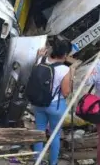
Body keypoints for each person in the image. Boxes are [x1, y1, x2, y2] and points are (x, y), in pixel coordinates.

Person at [32, 37, 74, 165]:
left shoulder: (41, 60)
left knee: (39, 132)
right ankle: (53, 162)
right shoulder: (65, 70)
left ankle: (37, 161)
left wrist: (38, 57)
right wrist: (71, 78)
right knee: (54, 135)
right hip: (55, 106)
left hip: (38, 104)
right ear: (65, 55)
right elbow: (66, 92)